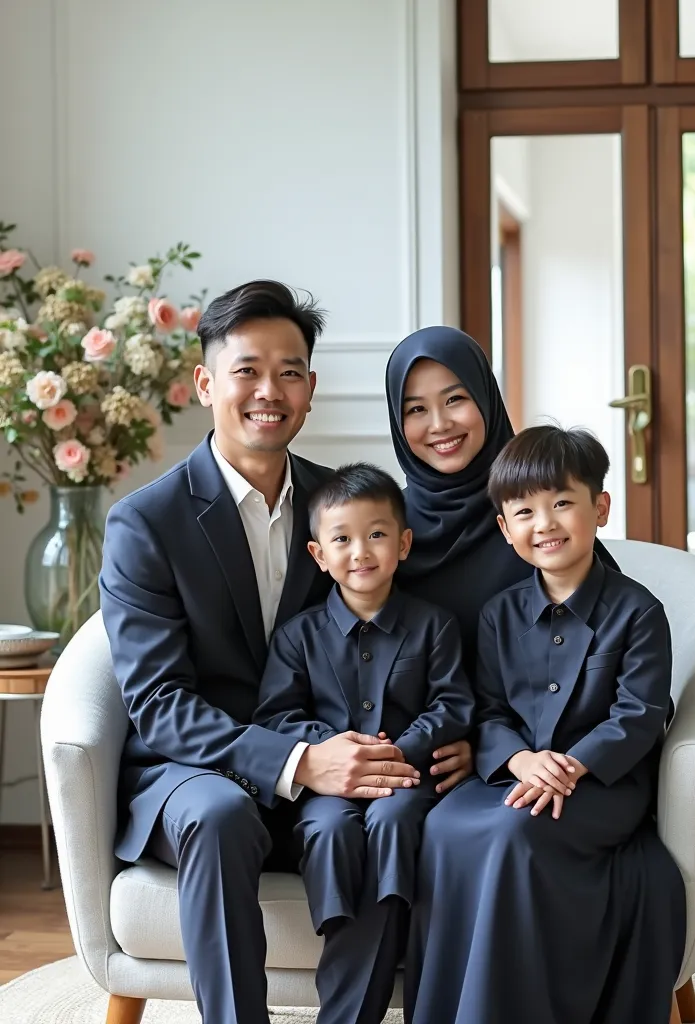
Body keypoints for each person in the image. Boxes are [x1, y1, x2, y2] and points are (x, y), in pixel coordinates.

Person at [99, 281, 429, 1024]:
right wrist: (296, 763)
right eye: (247, 369)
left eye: (289, 372)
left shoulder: (343, 509)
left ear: (310, 389)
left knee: (386, 804)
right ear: (206, 383)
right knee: (219, 815)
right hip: (188, 773)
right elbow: (157, 703)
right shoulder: (145, 523)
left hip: (324, 753)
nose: (268, 391)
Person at [405, 425, 687, 1024]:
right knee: (443, 825)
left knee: (515, 834)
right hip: (516, 773)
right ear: (506, 530)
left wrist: (572, 765)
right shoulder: (499, 613)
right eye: (525, 511)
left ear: (599, 508)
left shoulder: (639, 612)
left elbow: (639, 714)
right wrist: (519, 760)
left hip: (604, 786)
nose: (546, 523)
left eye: (562, 502)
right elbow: (487, 708)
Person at [255, 462, 474, 1023]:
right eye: (342, 539)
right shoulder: (297, 636)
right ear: (318, 555)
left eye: (376, 534)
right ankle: (345, 925)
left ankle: (382, 923)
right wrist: (333, 750)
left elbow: (453, 705)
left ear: (403, 543)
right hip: (326, 791)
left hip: (407, 781)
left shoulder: (435, 625)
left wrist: (400, 749)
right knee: (328, 827)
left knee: (395, 820)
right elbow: (277, 716)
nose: (361, 551)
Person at [385, 324, 619, 793]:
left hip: (529, 765)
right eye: (416, 409)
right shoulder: (385, 533)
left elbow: (607, 671)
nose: (439, 424)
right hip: (409, 765)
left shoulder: (538, 526)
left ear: (487, 399)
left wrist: (491, 747)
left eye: (455, 399)